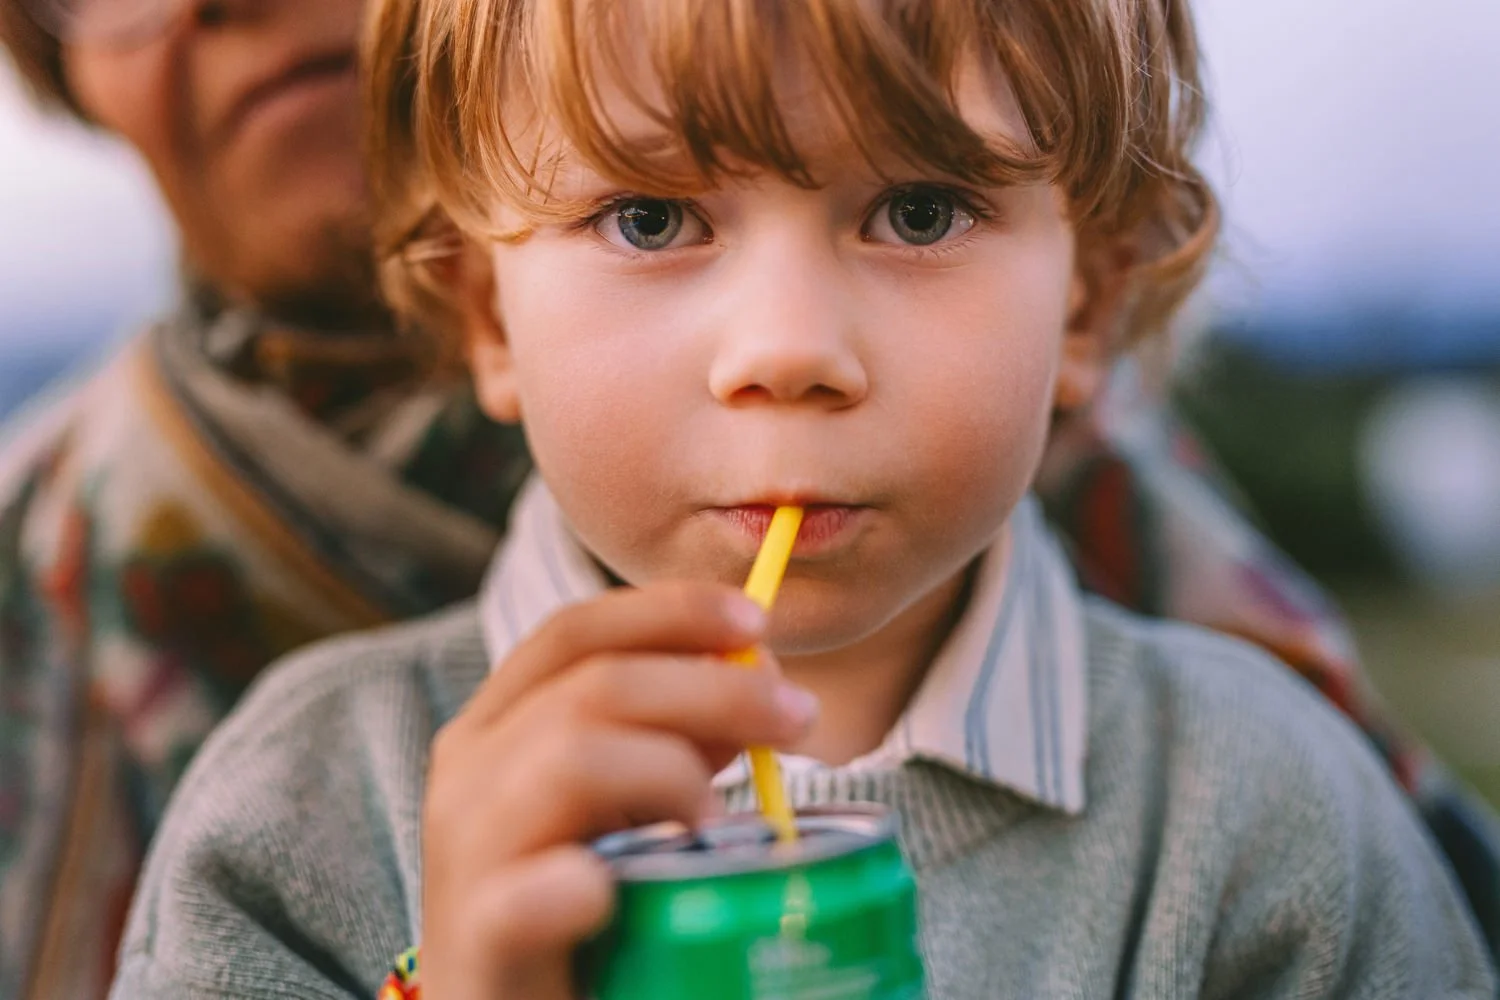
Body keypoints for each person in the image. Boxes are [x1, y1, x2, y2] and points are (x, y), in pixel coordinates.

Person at [2, 0, 1497, 996]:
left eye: (920, 211)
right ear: (484, 319)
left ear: (1091, 303)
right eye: (649, 218)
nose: (788, 348)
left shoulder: (1266, 813)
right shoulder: (297, 812)